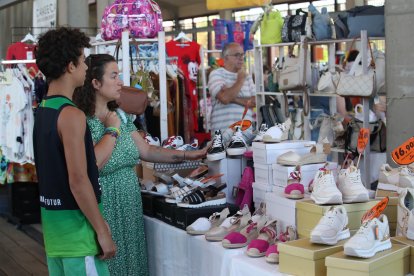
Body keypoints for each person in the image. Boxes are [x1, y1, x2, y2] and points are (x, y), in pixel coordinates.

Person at [73, 54, 207, 276]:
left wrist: (187, 155)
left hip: (129, 202)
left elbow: (147, 150)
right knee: (109, 264)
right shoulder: (82, 121)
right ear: (95, 83)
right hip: (104, 204)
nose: (120, 82)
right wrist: (111, 129)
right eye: (114, 76)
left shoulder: (121, 116)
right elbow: (92, 165)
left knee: (132, 264)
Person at [33, 28, 116, 275]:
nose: (85, 68)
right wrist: (102, 231)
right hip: (79, 238)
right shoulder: (71, 115)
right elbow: (79, 180)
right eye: (82, 61)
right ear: (70, 66)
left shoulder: (44, 109)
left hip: (56, 237)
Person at [207, 42, 256, 145]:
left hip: (245, 136)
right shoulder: (216, 74)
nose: (241, 58)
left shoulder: (247, 76)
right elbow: (224, 98)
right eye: (237, 55)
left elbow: (254, 102)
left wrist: (233, 98)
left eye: (242, 54)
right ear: (225, 58)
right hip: (222, 138)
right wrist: (240, 80)